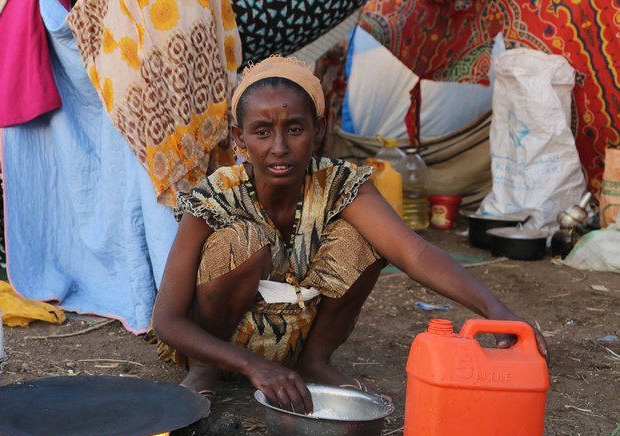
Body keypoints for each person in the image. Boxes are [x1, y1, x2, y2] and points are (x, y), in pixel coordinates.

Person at [150, 56, 546, 414]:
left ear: (318, 130)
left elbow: (415, 254)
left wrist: (497, 312)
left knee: (364, 238)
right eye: (261, 132)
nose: (279, 147)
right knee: (243, 243)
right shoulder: (216, 195)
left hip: (292, 342)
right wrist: (253, 364)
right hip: (217, 346)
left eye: (294, 129)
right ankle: (207, 371)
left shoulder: (339, 183)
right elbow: (166, 320)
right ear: (239, 139)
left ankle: (314, 363)